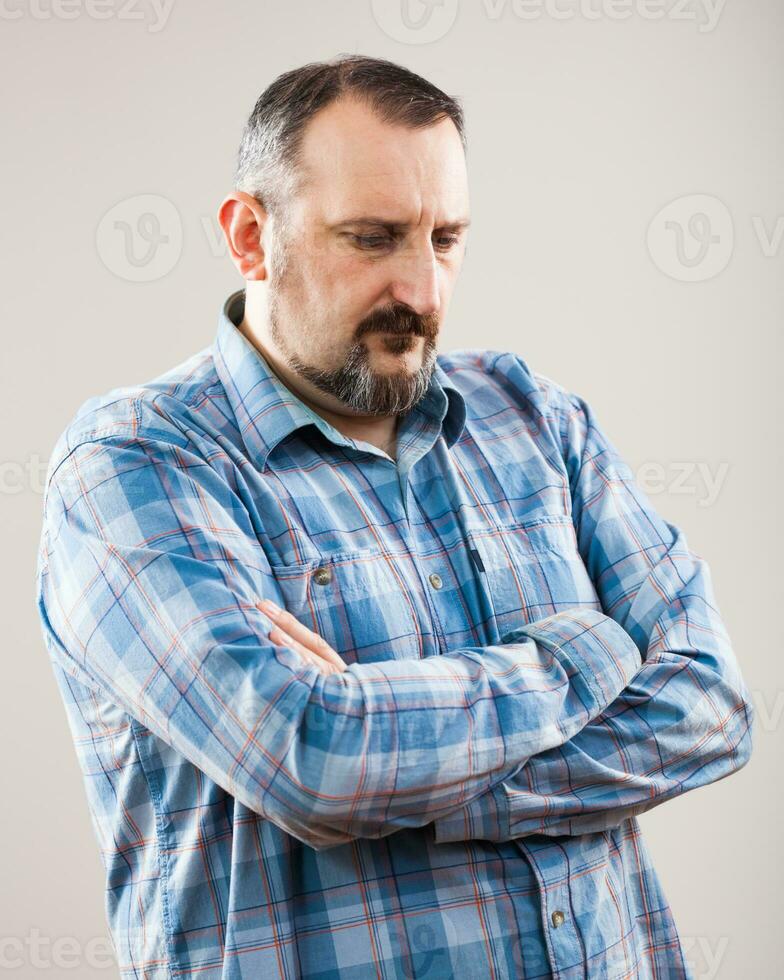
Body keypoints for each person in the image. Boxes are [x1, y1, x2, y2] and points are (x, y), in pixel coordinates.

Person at [35, 54, 754, 979]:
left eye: (445, 238)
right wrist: (590, 650)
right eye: (372, 238)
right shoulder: (132, 465)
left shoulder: (536, 416)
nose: (422, 291)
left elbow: (711, 706)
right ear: (251, 235)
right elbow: (316, 758)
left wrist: (397, 778)